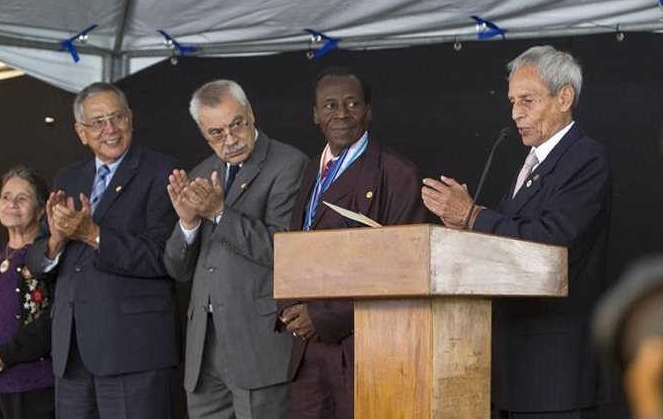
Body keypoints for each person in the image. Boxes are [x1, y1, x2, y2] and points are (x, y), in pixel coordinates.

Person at [422, 45, 612, 419]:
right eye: (512, 101)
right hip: (513, 366)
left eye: (527, 100)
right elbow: (507, 244)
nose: (514, 114)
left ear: (564, 98)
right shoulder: (534, 161)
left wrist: (474, 215)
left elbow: (552, 239)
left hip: (554, 373)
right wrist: (463, 228)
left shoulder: (584, 157)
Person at [277, 66, 428, 419]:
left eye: (351, 104)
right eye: (330, 105)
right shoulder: (312, 170)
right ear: (315, 115)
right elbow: (295, 245)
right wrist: (288, 308)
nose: (341, 114)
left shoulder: (397, 173)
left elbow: (405, 271)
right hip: (307, 351)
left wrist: (324, 317)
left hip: (363, 347)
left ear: (368, 111)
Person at [27, 82, 179, 419]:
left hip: (132, 350)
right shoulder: (68, 176)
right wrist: (55, 242)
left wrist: (93, 235)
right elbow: (37, 260)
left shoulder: (161, 171)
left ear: (131, 119)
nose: (109, 129)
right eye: (97, 122)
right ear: (81, 133)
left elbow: (162, 255)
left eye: (117, 117)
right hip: (72, 350)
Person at [164, 79, 308, 419]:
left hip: (257, 344)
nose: (229, 140)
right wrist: (188, 223)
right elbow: (178, 270)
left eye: (236, 125)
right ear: (203, 133)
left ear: (251, 115)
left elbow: (283, 251)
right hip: (205, 348)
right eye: (216, 133)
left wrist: (218, 214)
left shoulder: (289, 164)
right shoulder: (202, 173)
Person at [0, 165, 54, 419]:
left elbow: (55, 320)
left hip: (32, 390)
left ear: (42, 209)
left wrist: (7, 354)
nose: (11, 203)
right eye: (6, 197)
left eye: (22, 198)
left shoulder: (48, 258)